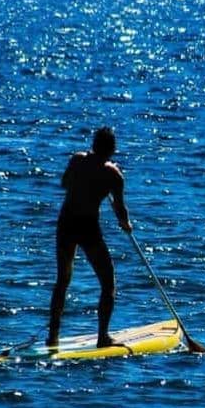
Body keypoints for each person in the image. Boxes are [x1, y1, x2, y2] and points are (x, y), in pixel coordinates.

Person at [47, 127, 132, 348]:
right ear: (112, 150)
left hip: (66, 223)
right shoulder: (114, 175)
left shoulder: (77, 160)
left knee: (63, 280)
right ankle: (102, 337)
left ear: (94, 145)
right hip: (87, 227)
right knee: (108, 281)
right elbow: (121, 212)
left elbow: (65, 184)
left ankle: (53, 336)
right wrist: (126, 225)